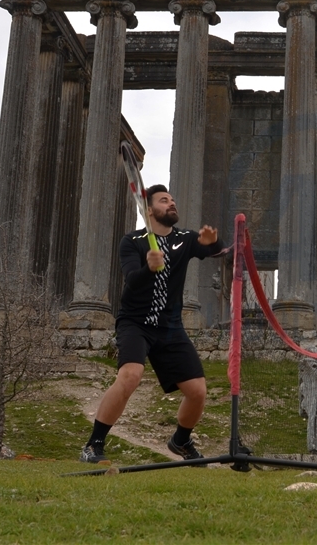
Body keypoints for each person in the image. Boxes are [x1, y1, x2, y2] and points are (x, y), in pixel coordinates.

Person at [81, 184, 224, 465]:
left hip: (170, 327)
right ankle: (93, 445)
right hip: (136, 323)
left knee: (197, 392)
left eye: (172, 200)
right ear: (149, 210)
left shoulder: (185, 238)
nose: (171, 203)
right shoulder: (132, 241)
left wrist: (212, 242)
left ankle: (180, 440)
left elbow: (215, 251)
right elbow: (132, 282)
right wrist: (149, 267)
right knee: (130, 376)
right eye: (163, 200)